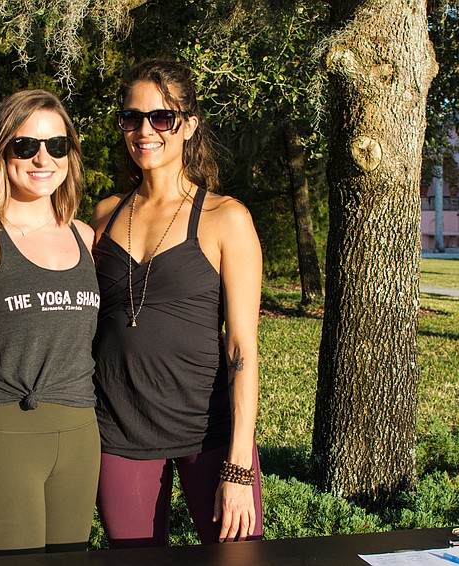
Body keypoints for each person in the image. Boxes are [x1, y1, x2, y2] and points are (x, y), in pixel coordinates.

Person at [90, 59, 264, 548]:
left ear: (188, 125)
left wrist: (238, 467)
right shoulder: (105, 214)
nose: (144, 130)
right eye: (131, 118)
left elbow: (242, 350)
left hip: (207, 432)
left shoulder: (225, 218)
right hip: (120, 432)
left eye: (161, 117)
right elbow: (65, 304)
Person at [0, 89, 101, 556]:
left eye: (57, 145)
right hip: (6, 434)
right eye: (25, 146)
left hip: (80, 435)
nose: (42, 158)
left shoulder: (86, 237)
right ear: (1, 153)